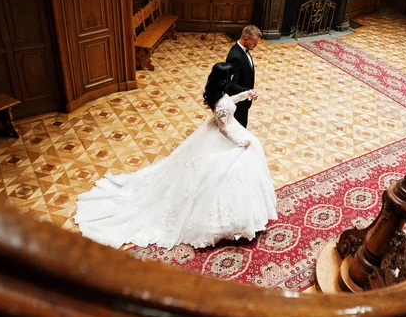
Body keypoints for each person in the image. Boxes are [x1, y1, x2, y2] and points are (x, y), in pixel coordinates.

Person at [74, 62, 277, 250]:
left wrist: (245, 94)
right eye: (230, 76)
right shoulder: (221, 103)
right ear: (224, 79)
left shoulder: (218, 94)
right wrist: (240, 142)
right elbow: (224, 129)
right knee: (222, 176)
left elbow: (227, 104)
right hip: (227, 136)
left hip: (219, 131)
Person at [226, 25, 261, 128]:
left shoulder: (243, 50)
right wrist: (248, 92)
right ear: (246, 39)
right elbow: (232, 85)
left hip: (243, 102)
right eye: (254, 43)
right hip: (238, 104)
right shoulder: (235, 57)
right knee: (237, 129)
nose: (255, 45)